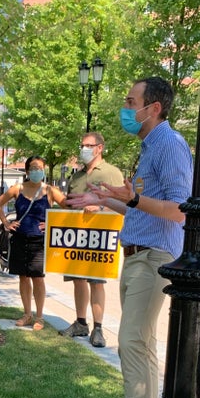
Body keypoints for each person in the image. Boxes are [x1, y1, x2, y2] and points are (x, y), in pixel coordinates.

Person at [67, 77, 193, 398]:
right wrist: (106, 200)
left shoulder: (170, 145)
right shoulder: (149, 147)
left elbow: (179, 210)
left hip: (155, 258)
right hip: (137, 254)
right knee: (141, 346)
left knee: (132, 344)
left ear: (153, 107)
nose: (126, 108)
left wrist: (131, 198)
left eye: (131, 101)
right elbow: (139, 212)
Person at [59, 132, 124, 347]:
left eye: (88, 145)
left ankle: (98, 328)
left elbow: (123, 204)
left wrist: (101, 206)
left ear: (100, 148)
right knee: (78, 279)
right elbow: (68, 204)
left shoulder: (112, 173)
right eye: (82, 145)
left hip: (99, 238)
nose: (84, 149)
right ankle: (80, 323)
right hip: (77, 236)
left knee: (96, 282)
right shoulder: (76, 177)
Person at [0, 156, 66, 330]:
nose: (37, 171)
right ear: (27, 171)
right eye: (33, 168)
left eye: (40, 167)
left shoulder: (50, 190)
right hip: (19, 238)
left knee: (38, 278)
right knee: (23, 277)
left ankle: (39, 317)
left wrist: (52, 223)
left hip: (39, 241)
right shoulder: (17, 189)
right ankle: (27, 314)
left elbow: (68, 207)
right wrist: (6, 222)